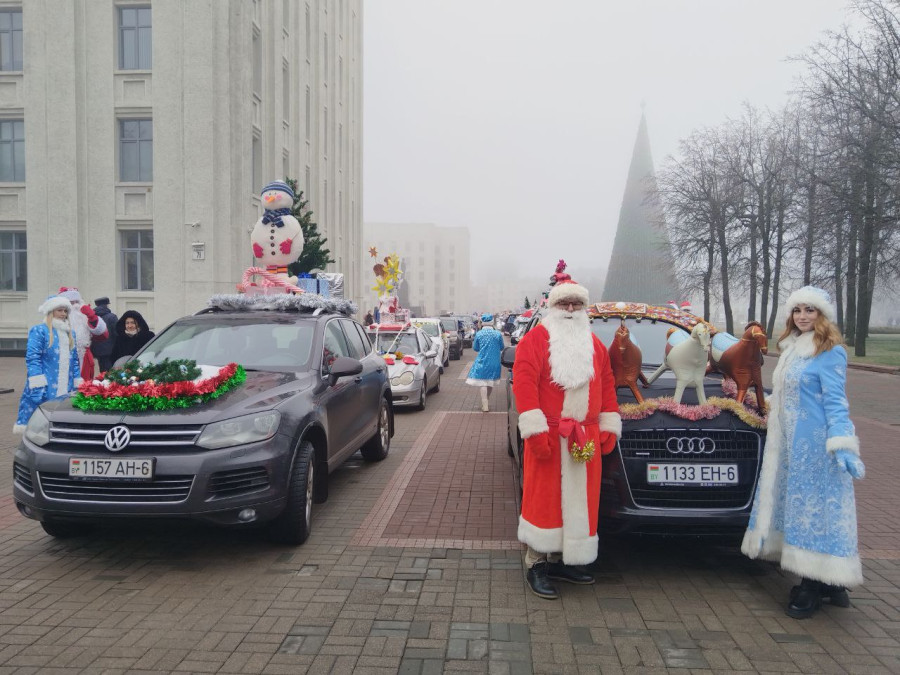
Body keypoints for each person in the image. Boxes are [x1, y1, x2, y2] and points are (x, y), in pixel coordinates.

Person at [742, 286, 864, 619]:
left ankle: (812, 584)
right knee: (799, 508)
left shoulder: (830, 351)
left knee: (815, 511)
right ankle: (829, 584)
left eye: (810, 310)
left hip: (816, 448)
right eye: (798, 311)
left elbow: (836, 402)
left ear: (822, 314)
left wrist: (842, 442)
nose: (803, 316)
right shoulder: (792, 348)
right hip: (789, 445)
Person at [512, 279, 621, 599]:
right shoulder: (536, 340)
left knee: (580, 503)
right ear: (553, 307)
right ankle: (536, 562)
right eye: (564, 304)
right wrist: (533, 430)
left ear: (584, 308)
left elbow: (608, 384)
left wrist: (608, 424)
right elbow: (524, 383)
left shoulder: (594, 345)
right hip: (548, 434)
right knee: (544, 499)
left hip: (583, 440)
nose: (571, 309)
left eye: (576, 304)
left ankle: (565, 559)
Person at [13, 296, 81, 433]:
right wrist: (37, 382)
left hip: (67, 384)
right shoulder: (39, 330)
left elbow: (75, 361)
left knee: (64, 414)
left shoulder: (70, 333)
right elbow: (33, 357)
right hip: (46, 383)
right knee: (42, 416)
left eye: (65, 311)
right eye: (59, 310)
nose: (63, 314)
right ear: (51, 311)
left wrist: (77, 382)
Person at [58, 287, 108, 381]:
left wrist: (93, 318)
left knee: (83, 387)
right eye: (71, 303)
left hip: (84, 359)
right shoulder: (56, 320)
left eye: (77, 302)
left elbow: (103, 335)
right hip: (63, 360)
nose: (75, 306)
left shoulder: (85, 318)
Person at [465, 313, 505, 412]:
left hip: (482, 361)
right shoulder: (497, 334)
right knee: (490, 382)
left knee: (482, 382)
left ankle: (485, 403)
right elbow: (502, 347)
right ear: (492, 323)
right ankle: (487, 399)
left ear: (482, 323)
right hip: (494, 361)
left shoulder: (479, 334)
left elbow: (475, 348)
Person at [92, 297, 118, 373]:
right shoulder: (112, 317)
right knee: (111, 373)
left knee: (102, 371)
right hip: (111, 351)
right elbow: (117, 333)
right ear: (106, 305)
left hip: (96, 351)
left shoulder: (92, 318)